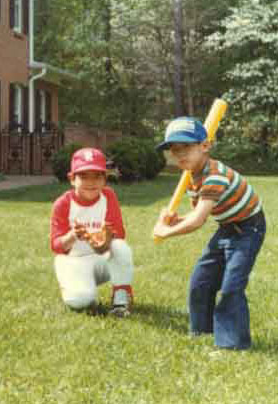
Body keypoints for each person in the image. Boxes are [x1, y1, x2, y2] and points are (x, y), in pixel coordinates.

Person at [152, 117, 266, 350]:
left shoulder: (214, 176)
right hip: (226, 226)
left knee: (231, 287)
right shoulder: (193, 175)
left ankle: (232, 345)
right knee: (200, 281)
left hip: (248, 229)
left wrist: (166, 231)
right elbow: (198, 213)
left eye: (187, 147)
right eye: (175, 150)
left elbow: (197, 221)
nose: (180, 155)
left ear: (205, 146)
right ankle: (201, 332)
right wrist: (177, 219)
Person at [50, 147, 134, 316]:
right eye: (83, 176)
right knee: (80, 302)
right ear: (72, 179)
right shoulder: (63, 203)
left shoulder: (108, 196)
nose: (91, 182)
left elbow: (119, 233)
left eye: (97, 176)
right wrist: (72, 236)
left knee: (121, 247)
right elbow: (56, 246)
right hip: (73, 261)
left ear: (105, 179)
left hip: (99, 259)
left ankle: (121, 299)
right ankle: (78, 287)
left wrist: (103, 239)